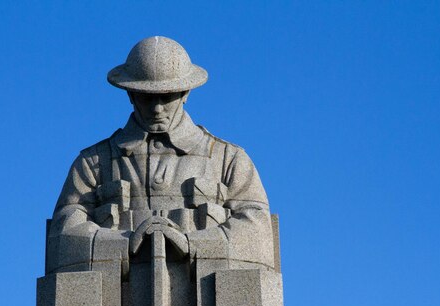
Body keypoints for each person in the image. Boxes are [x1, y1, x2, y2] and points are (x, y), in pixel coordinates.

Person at [47, 36, 275, 274]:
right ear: (130, 94)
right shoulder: (93, 162)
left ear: (185, 92)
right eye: (147, 97)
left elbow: (257, 230)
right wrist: (123, 244)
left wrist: (193, 244)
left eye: (166, 97)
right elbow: (64, 232)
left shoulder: (229, 159)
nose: (157, 108)